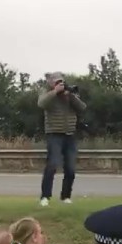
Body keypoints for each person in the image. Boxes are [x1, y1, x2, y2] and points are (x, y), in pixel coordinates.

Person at [37, 72, 87, 207]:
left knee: (70, 168)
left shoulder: (69, 96)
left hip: (70, 135)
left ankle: (66, 196)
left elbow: (82, 107)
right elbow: (41, 103)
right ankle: (45, 197)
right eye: (57, 82)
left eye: (62, 82)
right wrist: (55, 92)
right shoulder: (47, 94)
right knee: (52, 165)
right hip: (54, 135)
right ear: (52, 83)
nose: (60, 85)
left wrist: (71, 96)